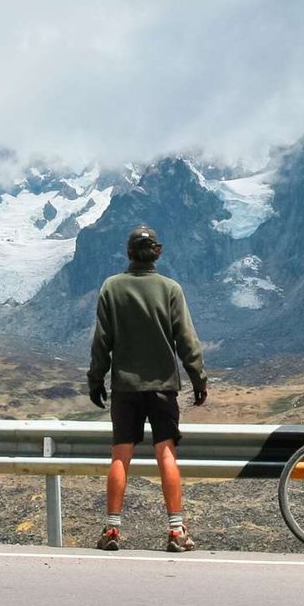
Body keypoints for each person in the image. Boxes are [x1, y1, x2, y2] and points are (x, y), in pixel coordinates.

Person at [87, 224, 208, 552]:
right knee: (166, 453)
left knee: (120, 455)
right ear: (158, 252)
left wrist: (95, 379)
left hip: (125, 386)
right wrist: (198, 378)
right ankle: (176, 531)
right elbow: (186, 340)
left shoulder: (111, 288)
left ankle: (112, 530)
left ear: (128, 254)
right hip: (162, 387)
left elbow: (102, 341)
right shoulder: (170, 289)